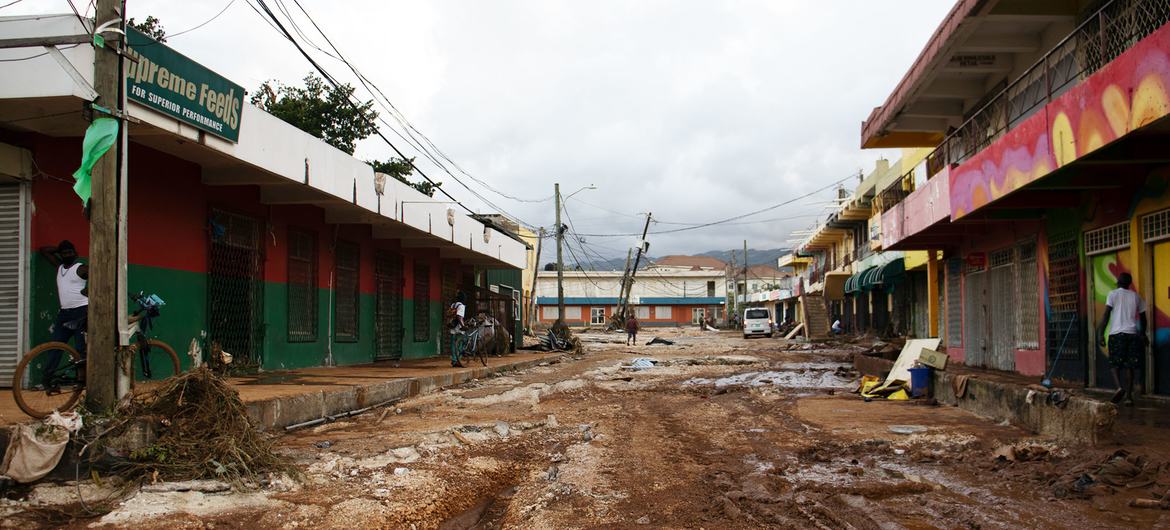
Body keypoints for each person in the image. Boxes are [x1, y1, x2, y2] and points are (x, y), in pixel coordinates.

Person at [40, 241, 89, 384]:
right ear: (61, 255)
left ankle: (82, 379)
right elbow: (44, 250)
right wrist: (59, 249)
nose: (68, 255)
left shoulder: (80, 268)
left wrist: (89, 289)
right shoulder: (59, 266)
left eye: (70, 252)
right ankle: (48, 380)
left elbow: (97, 274)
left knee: (81, 348)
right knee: (55, 346)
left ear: (76, 254)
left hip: (82, 311)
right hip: (64, 313)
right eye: (65, 253)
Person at [1096, 272, 1148, 406]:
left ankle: (1119, 387)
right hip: (1132, 334)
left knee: (1115, 364)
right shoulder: (1136, 297)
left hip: (1117, 333)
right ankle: (1129, 397)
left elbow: (1106, 314)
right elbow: (1143, 318)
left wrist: (1101, 333)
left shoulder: (1113, 294)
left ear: (1118, 282)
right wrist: (1143, 333)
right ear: (1129, 283)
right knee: (1129, 366)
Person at [448, 292, 468, 367]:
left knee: (453, 344)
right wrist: (463, 326)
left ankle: (454, 360)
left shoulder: (453, 305)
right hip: (458, 328)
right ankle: (458, 359)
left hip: (452, 327)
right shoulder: (461, 306)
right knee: (463, 341)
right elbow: (459, 317)